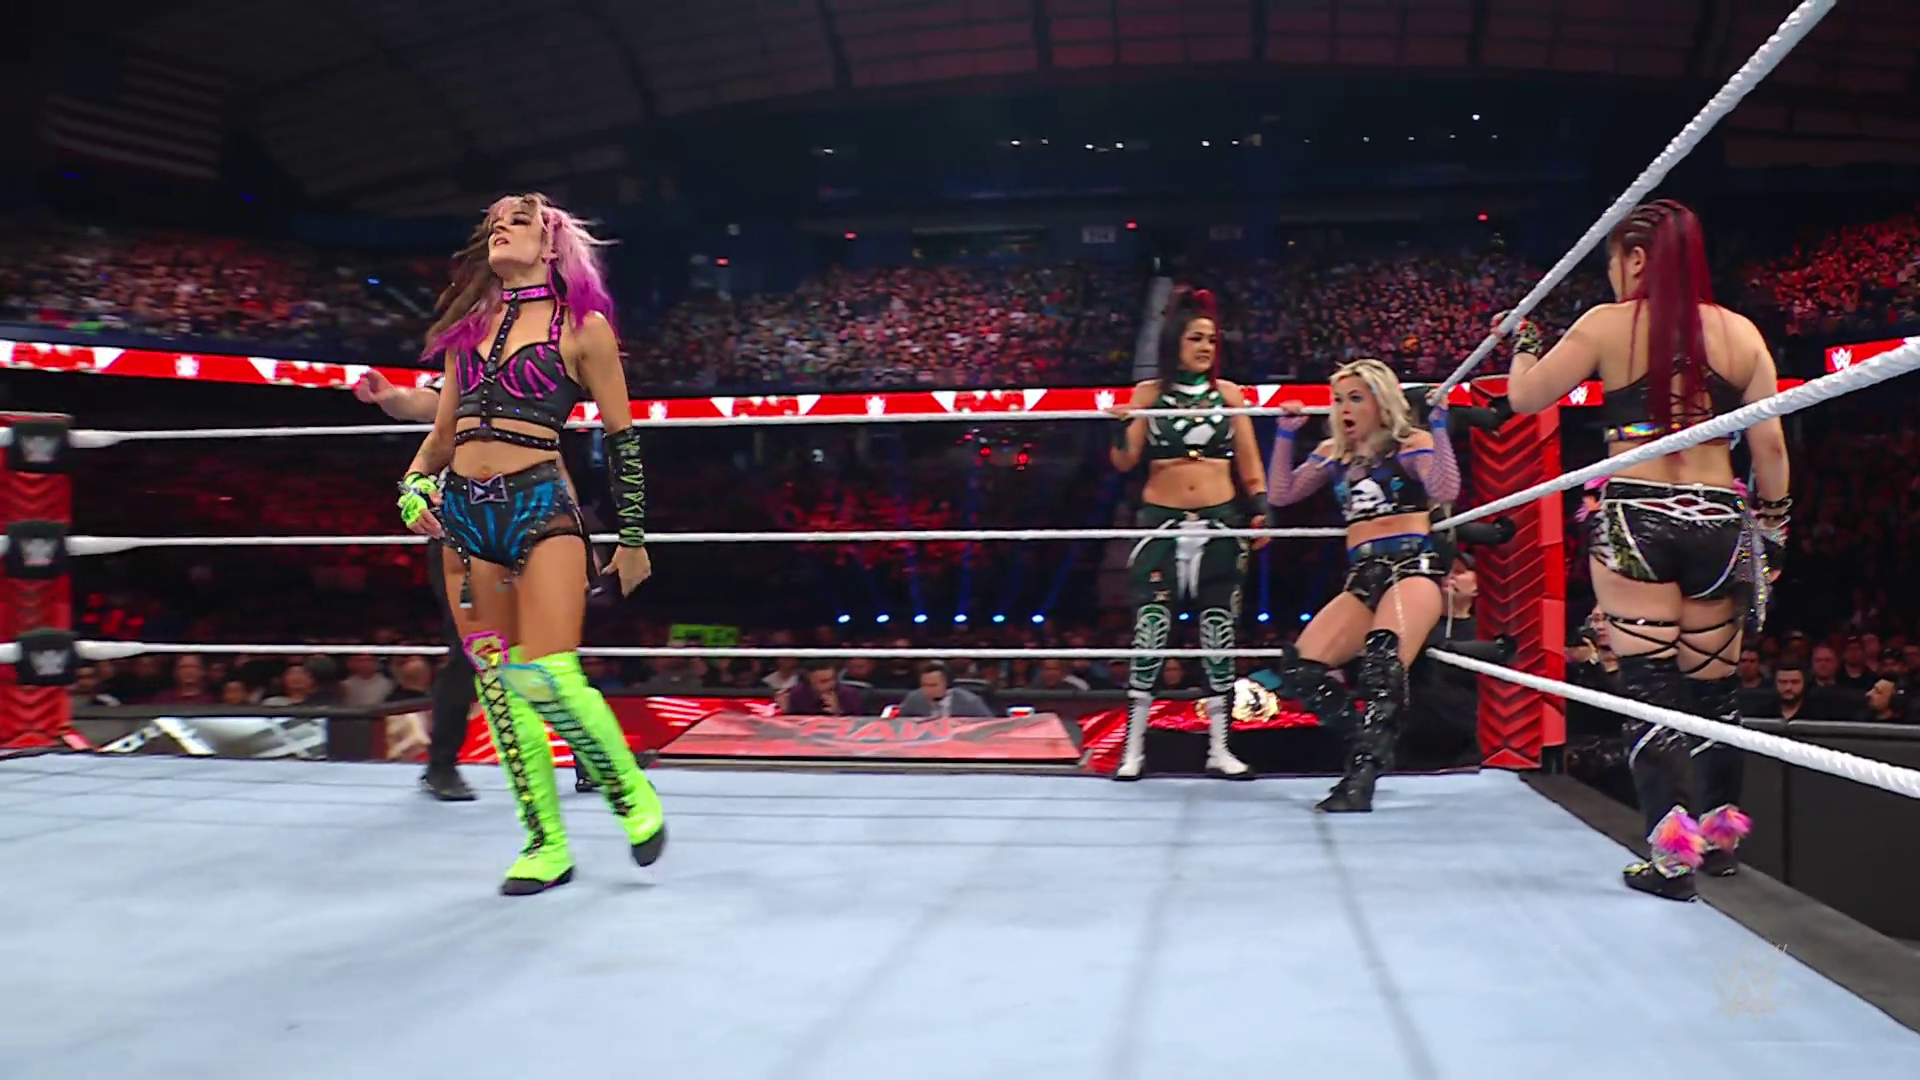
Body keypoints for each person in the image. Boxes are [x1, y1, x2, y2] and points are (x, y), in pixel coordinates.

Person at [1501, 198, 1790, 900]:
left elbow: (1524, 397)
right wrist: (1774, 535)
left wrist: (1526, 337)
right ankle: (1719, 844)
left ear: (1635, 258)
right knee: (1715, 692)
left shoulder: (1608, 323)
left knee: (1651, 690)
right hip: (1719, 517)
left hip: (1638, 516)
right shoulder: (1741, 333)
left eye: (1613, 263)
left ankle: (1671, 861)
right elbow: (1771, 448)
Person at [398, 192, 665, 896]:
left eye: (517, 221)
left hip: (540, 508)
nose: (500, 230)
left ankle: (626, 787)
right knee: (497, 679)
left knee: (545, 673)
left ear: (549, 245)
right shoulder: (468, 332)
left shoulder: (583, 328)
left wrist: (632, 537)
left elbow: (623, 439)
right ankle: (544, 843)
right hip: (465, 519)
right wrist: (413, 484)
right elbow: (442, 434)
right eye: (493, 224)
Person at [356, 371, 601, 800]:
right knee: (472, 651)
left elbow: (555, 468)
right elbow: (423, 405)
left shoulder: (533, 389)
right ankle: (441, 766)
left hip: (529, 529)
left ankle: (588, 759)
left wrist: (573, 536)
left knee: (551, 646)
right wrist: (390, 397)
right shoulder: (464, 376)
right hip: (465, 532)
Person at [1231, 358, 1460, 812]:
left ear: (1382, 400)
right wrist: (1285, 436)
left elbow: (1446, 489)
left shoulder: (1409, 444)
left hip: (1411, 568)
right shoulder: (1335, 453)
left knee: (1382, 665)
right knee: (1301, 670)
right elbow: (1281, 494)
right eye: (1338, 400)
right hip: (1362, 576)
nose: (1344, 408)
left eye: (1356, 398)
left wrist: (1439, 427)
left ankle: (1360, 780)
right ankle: (1367, 741)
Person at [1106, 287, 1270, 781]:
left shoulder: (1229, 394)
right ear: (1174, 341)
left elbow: (1249, 463)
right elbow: (1124, 461)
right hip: (1162, 521)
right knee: (1150, 631)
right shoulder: (1148, 394)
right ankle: (1133, 750)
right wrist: (1119, 427)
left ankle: (1220, 749)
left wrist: (1261, 509)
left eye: (1211, 340)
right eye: (1196, 338)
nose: (1205, 347)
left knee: (1219, 631)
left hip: (1221, 520)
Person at [897, 661, 993, 718]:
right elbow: (901, 725)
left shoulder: (969, 702)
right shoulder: (914, 699)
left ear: (947, 684)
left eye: (933, 685)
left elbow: (988, 725)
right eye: (924, 685)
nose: (927, 690)